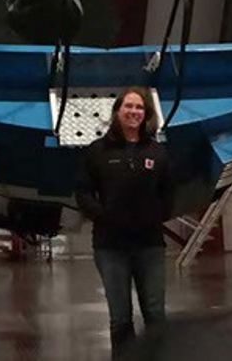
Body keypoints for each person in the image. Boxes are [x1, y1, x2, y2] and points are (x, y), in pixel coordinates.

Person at [75, 87, 174, 352]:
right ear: (118, 112)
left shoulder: (157, 152)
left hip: (150, 245)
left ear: (146, 114)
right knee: (120, 319)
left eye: (139, 107)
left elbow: (169, 193)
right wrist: (104, 216)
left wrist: (156, 215)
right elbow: (83, 192)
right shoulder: (97, 151)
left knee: (155, 314)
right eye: (128, 107)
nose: (134, 112)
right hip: (110, 247)